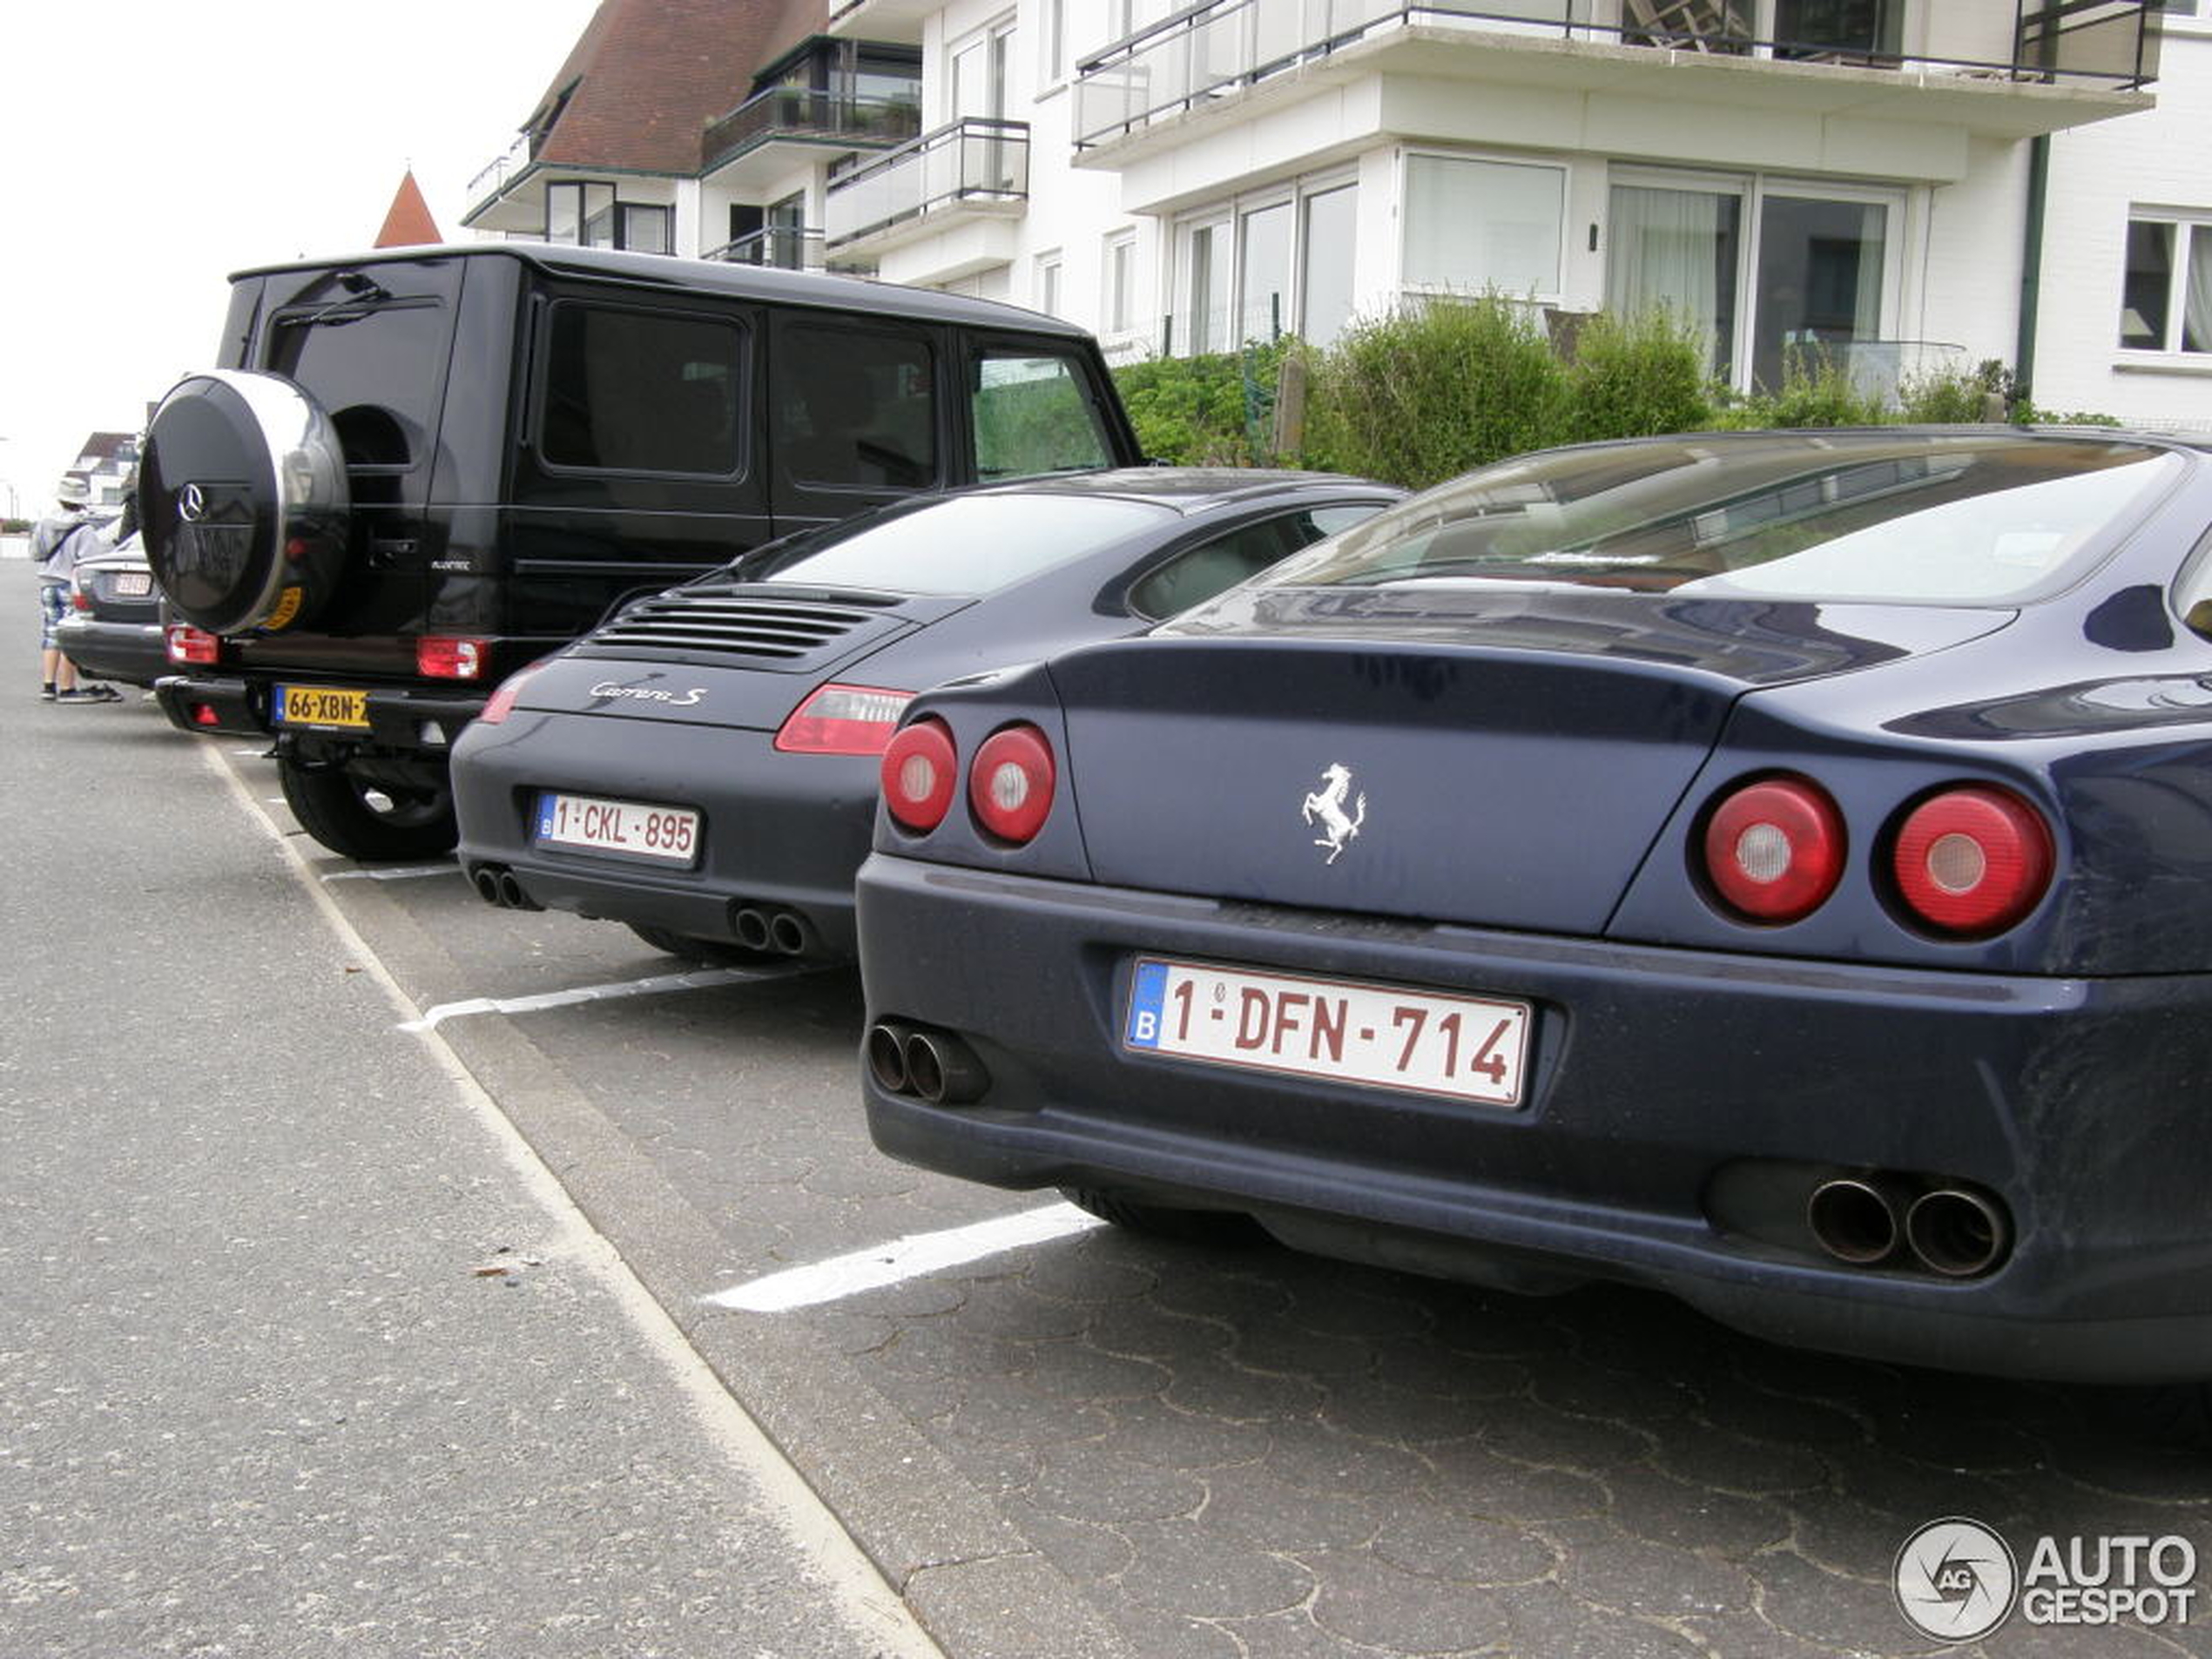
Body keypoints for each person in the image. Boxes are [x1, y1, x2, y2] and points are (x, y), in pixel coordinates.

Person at [31, 477, 120, 704]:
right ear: (81, 502)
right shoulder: (84, 529)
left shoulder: (44, 523)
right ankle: (67, 687)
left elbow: (36, 554)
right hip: (70, 584)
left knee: (51, 633)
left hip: (48, 583)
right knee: (70, 636)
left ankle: (48, 685)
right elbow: (90, 561)